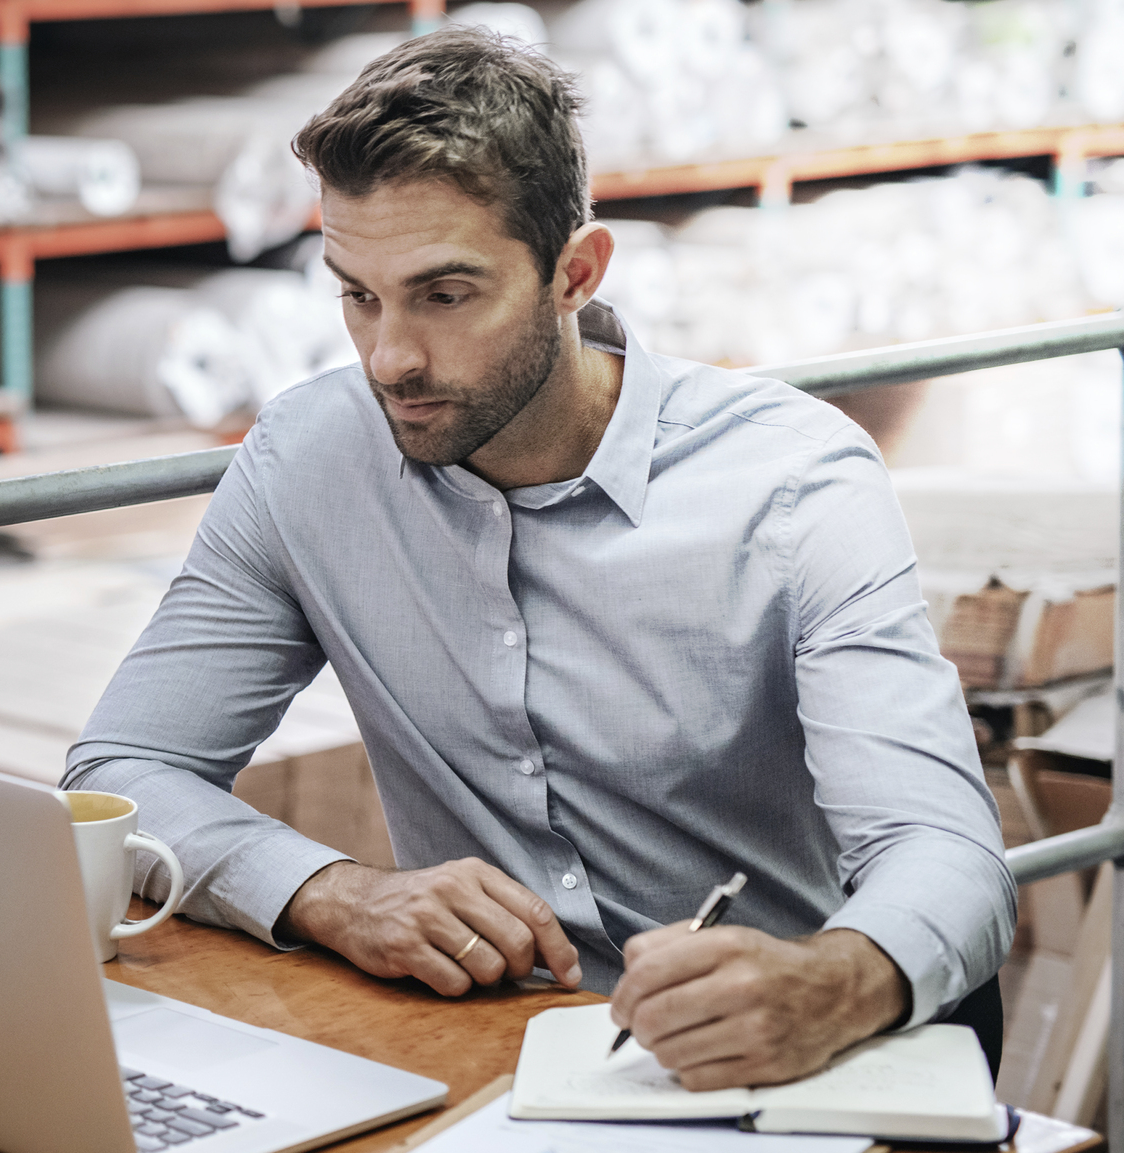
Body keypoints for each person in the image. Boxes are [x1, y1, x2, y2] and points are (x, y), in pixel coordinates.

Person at [60, 25, 1013, 1091]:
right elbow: (118, 771)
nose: (388, 357)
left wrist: (832, 980)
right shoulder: (306, 460)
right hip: (475, 1058)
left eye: (444, 295)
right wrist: (331, 891)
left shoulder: (792, 483)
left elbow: (944, 850)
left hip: (768, 1065)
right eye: (356, 294)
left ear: (574, 272)